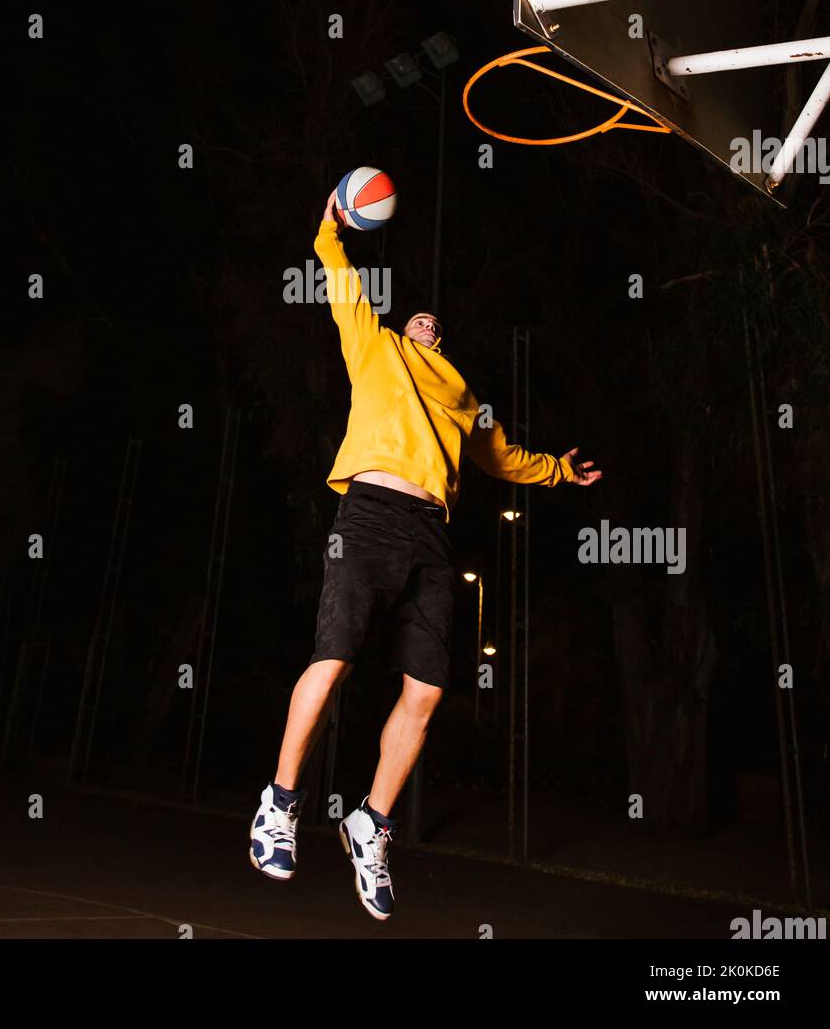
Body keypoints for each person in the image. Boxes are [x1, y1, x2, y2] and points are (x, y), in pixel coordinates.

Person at [250, 190, 601, 919]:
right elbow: (338, 275)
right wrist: (329, 224)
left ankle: (369, 824)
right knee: (334, 658)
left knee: (429, 688)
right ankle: (279, 803)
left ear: (442, 341)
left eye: (436, 323)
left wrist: (561, 470)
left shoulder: (464, 397)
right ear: (404, 327)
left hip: (431, 535)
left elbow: (504, 459)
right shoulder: (374, 345)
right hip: (369, 515)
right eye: (419, 315)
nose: (426, 322)